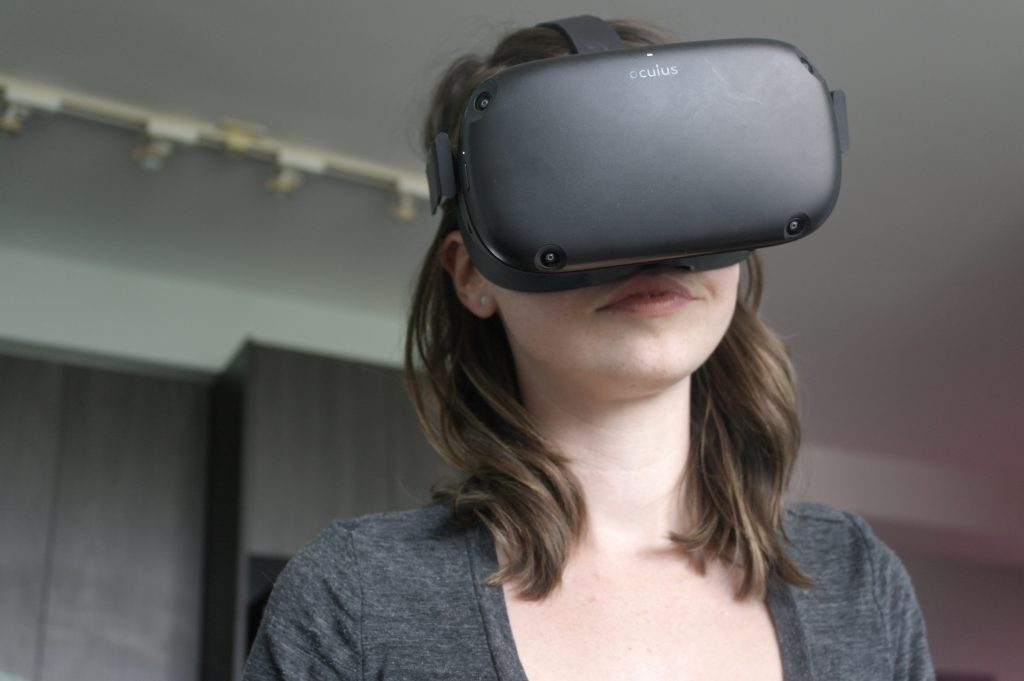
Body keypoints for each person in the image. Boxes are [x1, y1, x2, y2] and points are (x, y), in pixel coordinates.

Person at [243, 18, 935, 681]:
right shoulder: (354, 600)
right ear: (472, 274)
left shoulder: (857, 578)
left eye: (681, 174)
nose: (653, 248)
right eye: (581, 181)